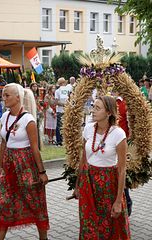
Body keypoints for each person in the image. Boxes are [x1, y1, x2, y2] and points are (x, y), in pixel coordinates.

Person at [0, 83, 49, 240]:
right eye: (3, 95)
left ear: (18, 98)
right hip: (9, 165)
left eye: (7, 95)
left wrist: (42, 172)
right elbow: (4, 142)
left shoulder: (28, 120)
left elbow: (34, 148)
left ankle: (43, 237)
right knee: (4, 203)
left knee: (35, 202)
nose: (3, 98)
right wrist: (0, 166)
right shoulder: (4, 116)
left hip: (26, 165)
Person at [75, 96, 131, 240]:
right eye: (93, 106)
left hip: (109, 184)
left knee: (110, 226)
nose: (93, 111)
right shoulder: (88, 129)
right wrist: (77, 186)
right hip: (88, 183)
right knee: (89, 224)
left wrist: (118, 200)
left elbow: (122, 169)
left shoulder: (118, 134)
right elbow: (83, 160)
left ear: (109, 113)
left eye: (97, 108)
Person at [55, 77, 69, 146]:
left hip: (66, 110)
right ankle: (59, 141)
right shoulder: (57, 91)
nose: (65, 84)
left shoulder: (67, 91)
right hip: (60, 110)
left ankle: (64, 140)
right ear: (62, 83)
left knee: (65, 125)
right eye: (64, 82)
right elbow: (57, 102)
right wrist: (65, 104)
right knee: (59, 126)